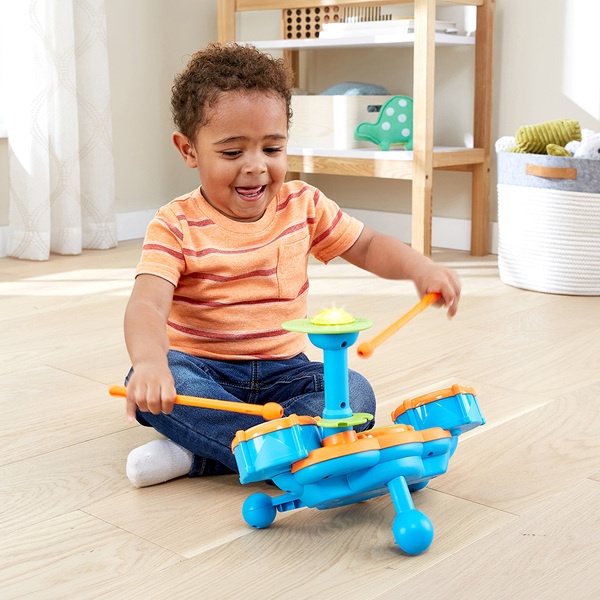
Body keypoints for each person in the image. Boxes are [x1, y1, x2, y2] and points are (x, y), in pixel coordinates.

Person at [123, 43, 461, 488]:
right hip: (205, 371)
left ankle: (204, 454)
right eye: (232, 153)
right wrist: (150, 363)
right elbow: (147, 305)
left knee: (356, 393)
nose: (256, 167)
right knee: (157, 387)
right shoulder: (174, 224)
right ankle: (294, 452)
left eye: (272, 148)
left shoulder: (304, 204)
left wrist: (420, 269)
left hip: (286, 373)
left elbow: (367, 245)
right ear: (189, 150)